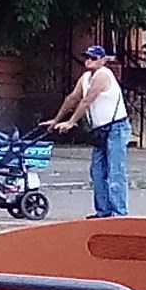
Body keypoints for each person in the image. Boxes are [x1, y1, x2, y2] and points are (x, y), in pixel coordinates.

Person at [61, 42, 130, 217]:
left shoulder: (103, 75)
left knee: (115, 170)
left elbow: (86, 101)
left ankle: (119, 212)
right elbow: (73, 98)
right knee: (97, 171)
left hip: (116, 128)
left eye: (93, 58)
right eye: (87, 57)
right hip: (100, 130)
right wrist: (55, 120)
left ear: (102, 60)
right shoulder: (85, 78)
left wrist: (71, 122)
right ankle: (103, 211)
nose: (88, 61)